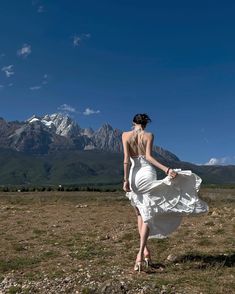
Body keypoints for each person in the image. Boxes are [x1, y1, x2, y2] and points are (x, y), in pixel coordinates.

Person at [122, 113, 209, 272]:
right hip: (147, 173)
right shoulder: (149, 135)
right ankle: (141, 255)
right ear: (146, 124)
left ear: (132, 122)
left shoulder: (125, 135)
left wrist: (126, 180)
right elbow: (148, 157)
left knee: (141, 213)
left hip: (133, 175)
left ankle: (145, 253)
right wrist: (166, 169)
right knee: (147, 211)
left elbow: (126, 159)